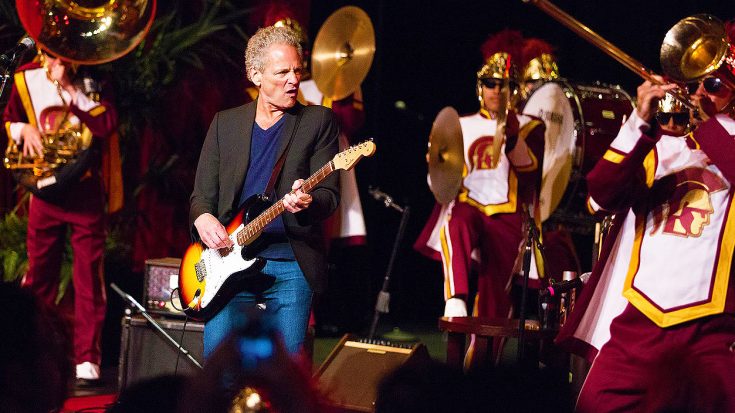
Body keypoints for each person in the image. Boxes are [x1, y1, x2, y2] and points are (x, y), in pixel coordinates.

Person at [557, 22, 735, 411]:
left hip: (712, 333)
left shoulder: (727, 146)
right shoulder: (660, 148)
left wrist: (709, 129)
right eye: (694, 85)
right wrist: (640, 119)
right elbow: (602, 194)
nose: (700, 95)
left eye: (715, 86)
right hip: (639, 324)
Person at [189, 25, 340, 358]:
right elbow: (201, 196)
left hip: (290, 264)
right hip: (227, 262)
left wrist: (308, 201)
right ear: (255, 75)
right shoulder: (224, 124)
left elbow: (330, 195)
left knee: (283, 383)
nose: (293, 80)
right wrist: (202, 219)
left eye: (297, 71)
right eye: (282, 72)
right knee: (220, 373)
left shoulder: (318, 120)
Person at [414, 30, 546, 363]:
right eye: (490, 83)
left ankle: (479, 372)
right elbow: (440, 174)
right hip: (470, 206)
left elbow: (531, 172)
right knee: (455, 217)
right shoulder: (459, 123)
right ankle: (455, 297)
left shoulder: (531, 125)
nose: (496, 90)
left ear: (513, 89)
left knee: (495, 307)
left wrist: (513, 136)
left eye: (502, 84)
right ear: (479, 87)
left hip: (508, 213)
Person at [2, 50, 119, 384]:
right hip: (44, 189)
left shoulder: (93, 76)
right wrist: (23, 130)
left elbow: (106, 123)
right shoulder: (25, 74)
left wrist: (68, 85)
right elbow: (9, 118)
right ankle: (29, 351)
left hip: (83, 192)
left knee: (87, 277)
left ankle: (87, 358)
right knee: (39, 273)